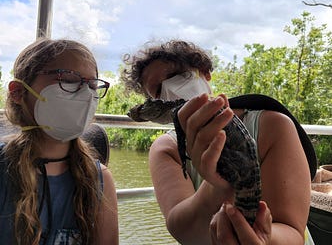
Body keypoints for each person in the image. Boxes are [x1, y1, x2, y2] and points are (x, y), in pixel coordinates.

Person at [121, 40, 316, 244]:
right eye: (158, 91)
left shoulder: (274, 125)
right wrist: (217, 186)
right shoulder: (165, 149)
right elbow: (183, 230)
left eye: (175, 76)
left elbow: (293, 230)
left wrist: (263, 240)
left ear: (204, 73)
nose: (169, 89)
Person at [0, 38, 119, 245]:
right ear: (18, 92)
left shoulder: (99, 180)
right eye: (69, 80)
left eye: (92, 85)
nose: (85, 94)